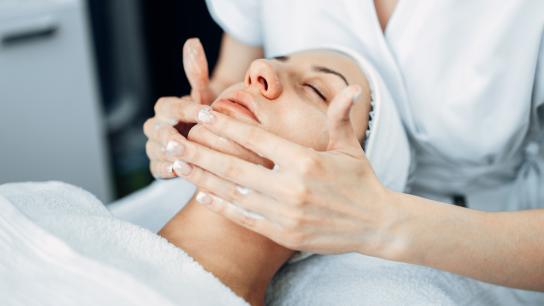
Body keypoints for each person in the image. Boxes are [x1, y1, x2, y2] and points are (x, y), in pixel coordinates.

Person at [144, 0, 544, 296]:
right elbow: (232, 73)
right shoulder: (84, 230)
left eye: (318, 91)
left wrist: (382, 221)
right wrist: (197, 114)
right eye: (270, 61)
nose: (258, 72)